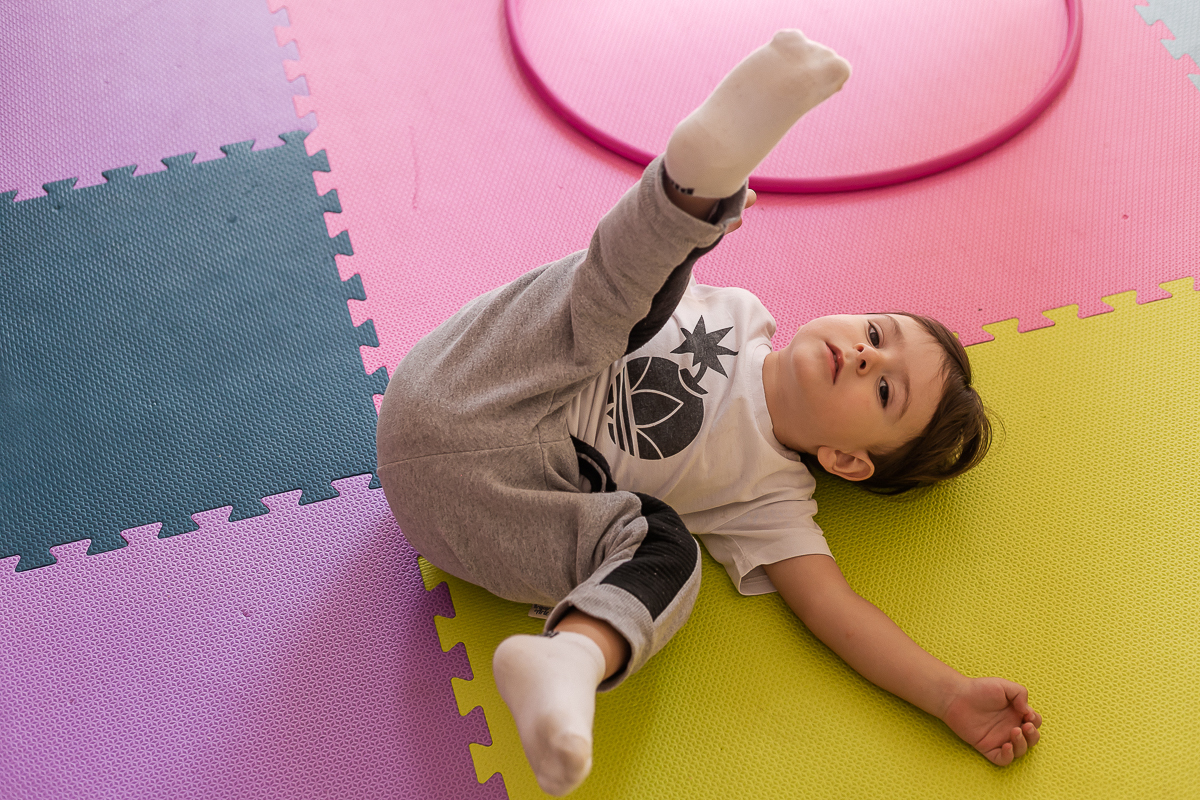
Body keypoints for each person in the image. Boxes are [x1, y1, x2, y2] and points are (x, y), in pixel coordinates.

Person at [376, 30, 1042, 796]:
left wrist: (947, 693)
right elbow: (614, 290)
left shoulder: (771, 502)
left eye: (884, 389)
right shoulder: (741, 312)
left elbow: (840, 614)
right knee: (623, 301)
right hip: (476, 383)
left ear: (848, 462)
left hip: (488, 511)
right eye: (874, 334)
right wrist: (689, 238)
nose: (864, 355)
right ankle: (702, 175)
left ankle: (572, 659)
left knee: (669, 554)